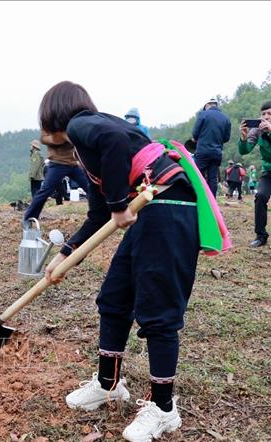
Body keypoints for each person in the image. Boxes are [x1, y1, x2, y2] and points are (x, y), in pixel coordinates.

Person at [40, 81, 228, 441]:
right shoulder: (89, 146)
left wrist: (117, 204)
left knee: (158, 313)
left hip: (169, 206)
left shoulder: (83, 125)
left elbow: (112, 148)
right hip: (151, 210)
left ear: (54, 113)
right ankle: (109, 384)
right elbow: (99, 215)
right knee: (114, 299)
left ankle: (163, 409)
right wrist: (66, 254)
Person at [23, 130, 89, 221]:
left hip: (73, 163)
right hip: (57, 162)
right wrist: (61, 137)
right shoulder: (50, 119)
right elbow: (44, 138)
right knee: (45, 191)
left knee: (90, 187)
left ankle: (102, 212)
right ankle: (28, 218)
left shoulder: (71, 121)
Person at [239, 100, 271, 247]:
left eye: (269, 114)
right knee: (260, 196)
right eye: (263, 114)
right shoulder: (257, 130)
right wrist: (244, 138)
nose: (266, 116)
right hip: (268, 171)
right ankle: (261, 235)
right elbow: (244, 150)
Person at [191, 98, 231, 196]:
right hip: (217, 152)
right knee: (212, 178)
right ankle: (212, 201)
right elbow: (226, 138)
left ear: (207, 105)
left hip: (202, 151)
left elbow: (195, 134)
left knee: (198, 175)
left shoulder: (203, 114)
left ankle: (197, 197)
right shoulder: (226, 118)